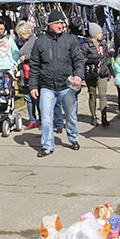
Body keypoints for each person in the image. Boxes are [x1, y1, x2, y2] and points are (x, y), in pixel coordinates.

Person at [29, 10, 85, 157]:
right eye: (57, 23)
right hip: (47, 86)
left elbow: (78, 59)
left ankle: (73, 138)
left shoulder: (70, 40)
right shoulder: (40, 42)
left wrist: (78, 75)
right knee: (46, 118)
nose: (61, 26)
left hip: (66, 85)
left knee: (71, 114)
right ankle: (47, 145)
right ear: (49, 24)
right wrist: (33, 86)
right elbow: (34, 65)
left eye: (62, 23)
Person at [84, 22, 112, 127]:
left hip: (103, 73)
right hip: (91, 73)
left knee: (102, 95)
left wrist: (111, 71)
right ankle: (93, 116)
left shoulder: (103, 45)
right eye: (99, 33)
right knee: (92, 95)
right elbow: (82, 59)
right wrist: (94, 60)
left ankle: (104, 117)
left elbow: (107, 59)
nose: (102, 35)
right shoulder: (86, 46)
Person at [15, 20, 39, 129]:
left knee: (36, 99)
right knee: (28, 98)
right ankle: (32, 120)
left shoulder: (35, 40)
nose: (20, 36)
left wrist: (26, 57)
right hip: (24, 74)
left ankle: (43, 120)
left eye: (20, 34)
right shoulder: (24, 42)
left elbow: (37, 54)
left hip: (33, 74)